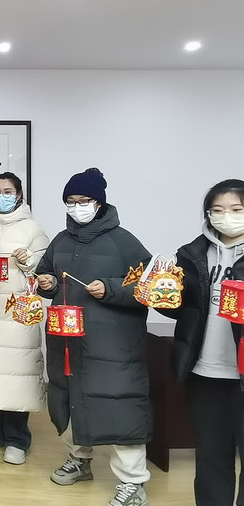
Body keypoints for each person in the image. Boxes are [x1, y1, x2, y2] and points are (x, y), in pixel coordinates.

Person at [35, 168, 152, 506]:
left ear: (99, 203)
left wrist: (112, 289)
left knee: (119, 406)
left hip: (112, 344)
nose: (77, 207)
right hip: (67, 340)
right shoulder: (61, 240)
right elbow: (45, 273)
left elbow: (152, 287)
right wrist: (47, 283)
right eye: (71, 202)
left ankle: (133, 483)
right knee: (69, 399)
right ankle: (79, 460)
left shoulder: (123, 241)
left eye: (84, 201)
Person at [162, 179, 243, 506]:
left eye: (236, 209)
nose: (227, 217)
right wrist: (159, 296)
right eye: (218, 210)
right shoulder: (192, 254)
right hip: (205, 371)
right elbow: (181, 309)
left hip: (241, 371)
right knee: (211, 457)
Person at [0, 172, 49, 465]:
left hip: (17, 313)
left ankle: (17, 439)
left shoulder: (32, 228)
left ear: (19, 195)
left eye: (8, 191)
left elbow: (45, 269)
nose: (1, 196)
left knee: (16, 373)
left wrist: (28, 260)